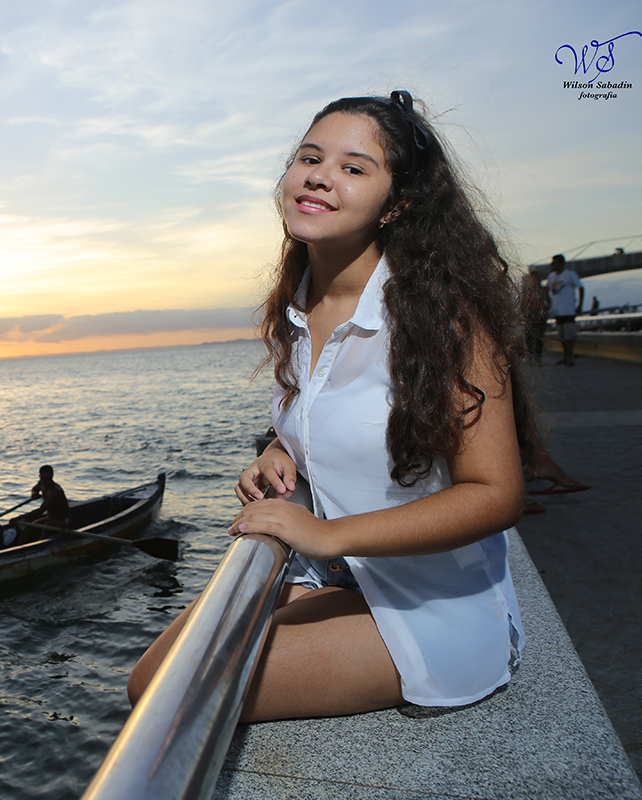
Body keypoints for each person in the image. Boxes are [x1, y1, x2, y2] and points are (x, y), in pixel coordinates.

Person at [128, 90, 539, 720]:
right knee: (155, 672)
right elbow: (321, 416)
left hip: (433, 608)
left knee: (168, 696)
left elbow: (496, 493)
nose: (318, 175)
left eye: (353, 167)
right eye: (308, 157)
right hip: (352, 577)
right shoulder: (298, 306)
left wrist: (324, 535)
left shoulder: (444, 323)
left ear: (397, 203)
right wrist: (277, 450)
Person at [546, 254, 584, 366]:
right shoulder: (551, 277)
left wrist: (580, 305)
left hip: (568, 310)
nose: (552, 265)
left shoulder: (570, 275)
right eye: (552, 263)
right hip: (557, 311)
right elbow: (546, 290)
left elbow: (580, 288)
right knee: (562, 336)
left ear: (561, 264)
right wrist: (548, 303)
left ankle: (569, 357)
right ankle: (565, 356)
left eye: (555, 263)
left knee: (569, 336)